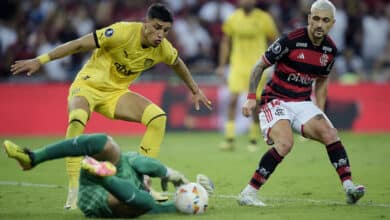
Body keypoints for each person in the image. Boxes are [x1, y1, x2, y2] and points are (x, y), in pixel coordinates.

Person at [10, 3, 212, 209]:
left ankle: (142, 183)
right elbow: (79, 44)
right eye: (157, 27)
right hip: (88, 85)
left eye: (166, 30)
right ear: (145, 23)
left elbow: (177, 64)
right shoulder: (121, 31)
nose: (161, 34)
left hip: (115, 94)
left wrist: (195, 90)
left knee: (157, 118)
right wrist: (40, 60)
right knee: (77, 118)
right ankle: (74, 189)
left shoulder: (163, 49)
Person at [238, 0, 365, 206]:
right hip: (275, 100)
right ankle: (248, 193)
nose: (319, 25)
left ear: (332, 23)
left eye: (325, 21)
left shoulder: (330, 50)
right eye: (315, 19)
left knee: (330, 134)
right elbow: (258, 66)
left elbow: (323, 80)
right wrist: (251, 98)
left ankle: (349, 186)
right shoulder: (290, 40)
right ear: (309, 18)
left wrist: (320, 111)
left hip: (302, 102)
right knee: (286, 143)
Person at [3, 134, 214, 218]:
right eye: (147, 177)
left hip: (100, 198)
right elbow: (146, 163)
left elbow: (172, 207)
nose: (148, 179)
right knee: (107, 143)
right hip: (99, 177)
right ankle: (33, 157)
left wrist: (199, 194)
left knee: (146, 202)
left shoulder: (146, 194)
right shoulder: (132, 163)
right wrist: (169, 173)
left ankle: (104, 177)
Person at [216, 0, 279, 152]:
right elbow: (226, 42)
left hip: (258, 66)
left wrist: (273, 62)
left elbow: (275, 40)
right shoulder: (233, 18)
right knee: (232, 100)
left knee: (255, 103)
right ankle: (230, 138)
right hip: (237, 65)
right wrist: (222, 65)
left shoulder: (264, 18)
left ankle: (253, 139)